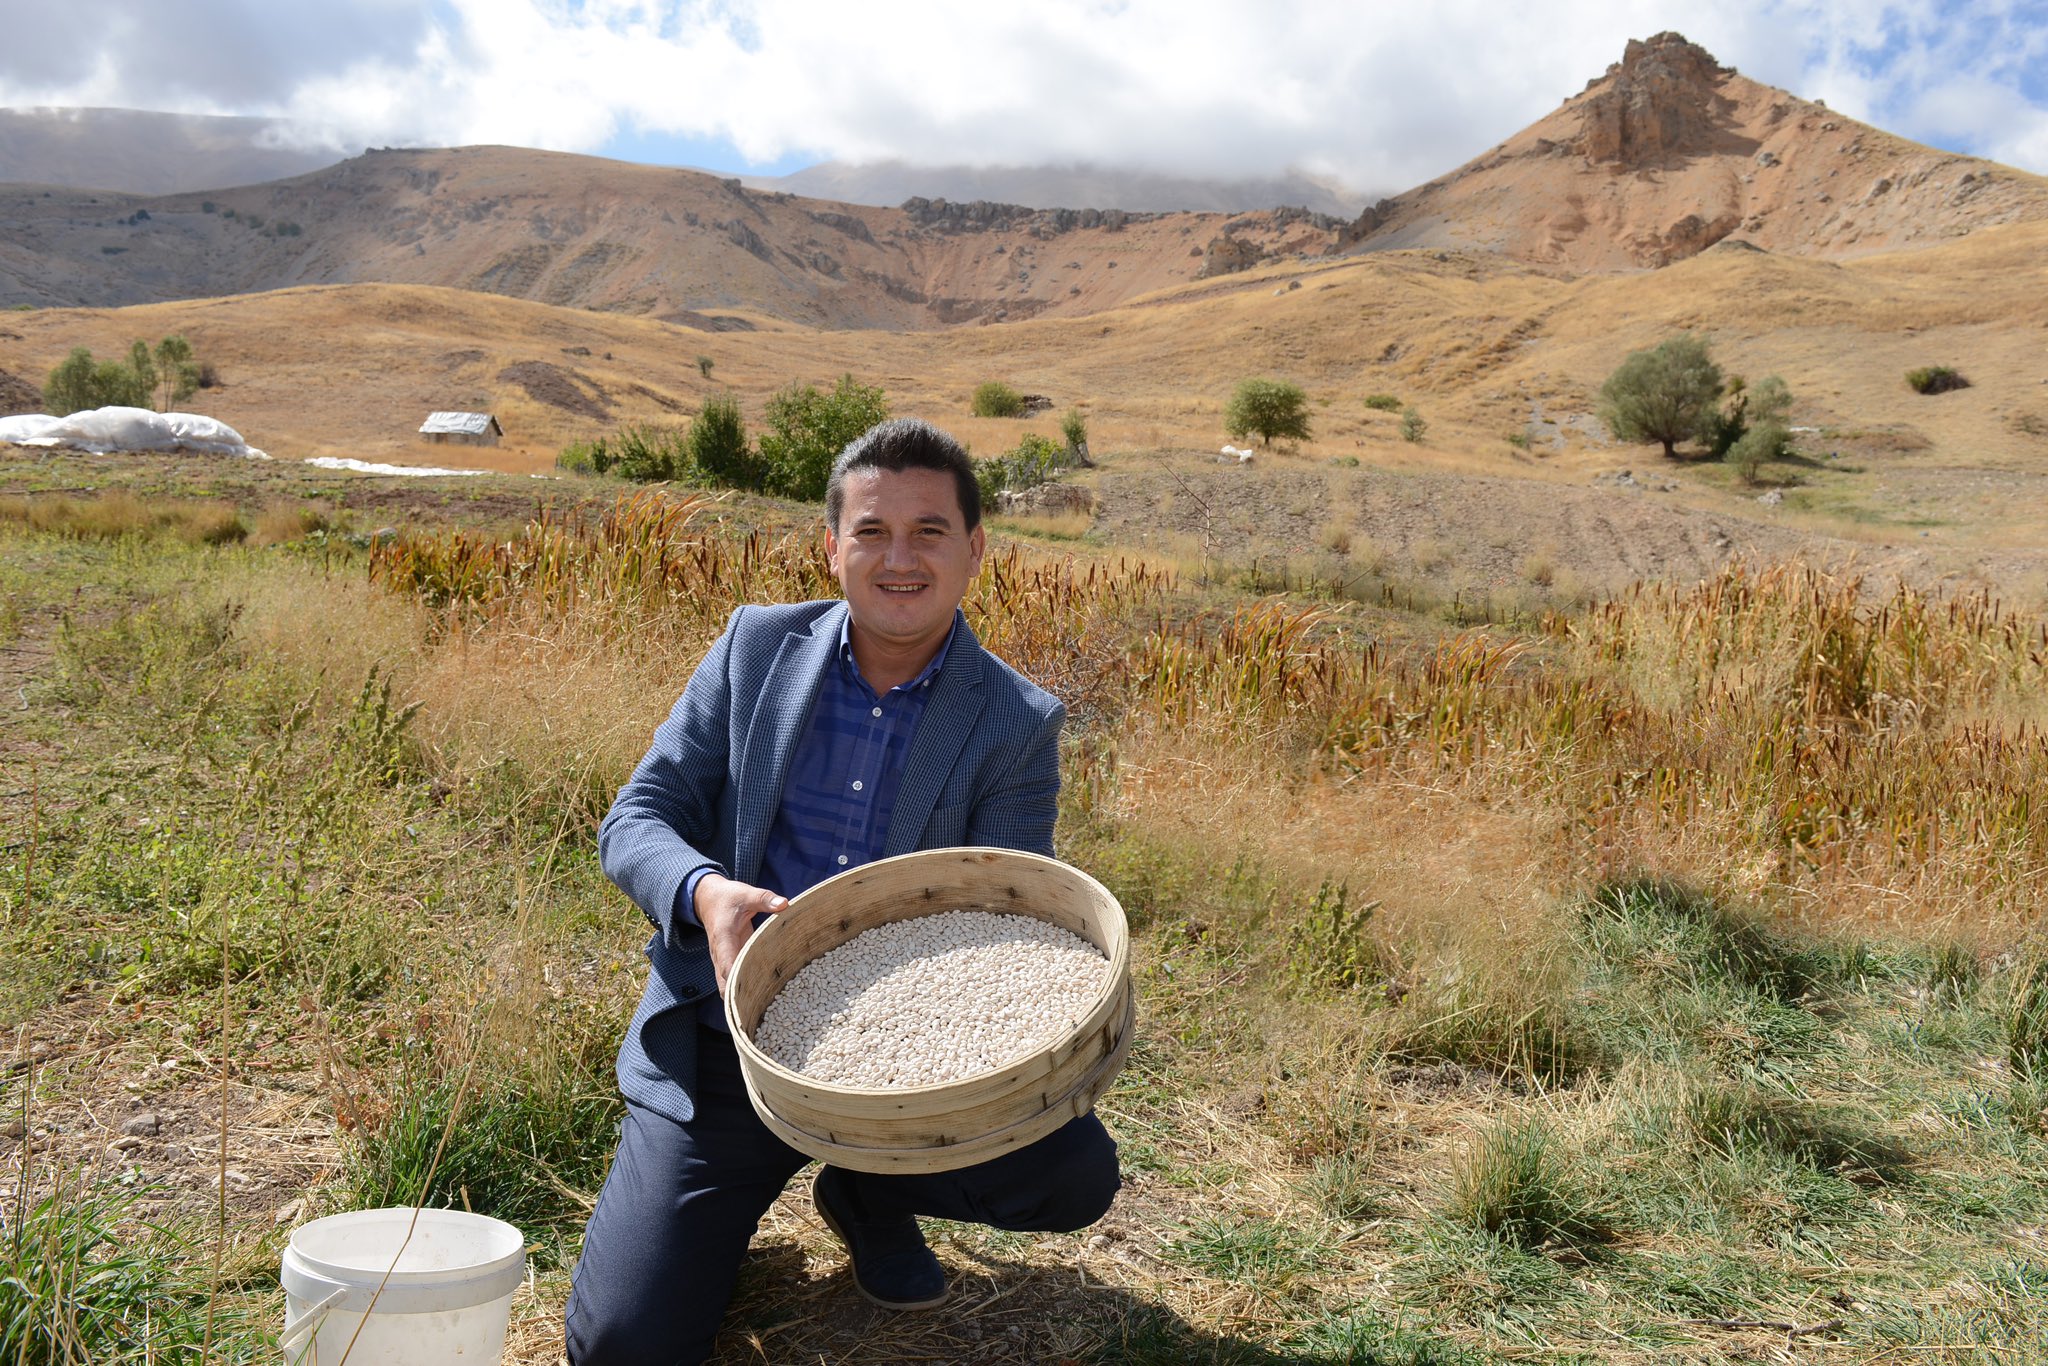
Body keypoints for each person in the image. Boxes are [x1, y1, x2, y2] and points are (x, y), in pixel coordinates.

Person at [565, 418, 1122, 1366]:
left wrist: (924, 1072)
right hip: (726, 1052)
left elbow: (1010, 919)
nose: (898, 558)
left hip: (909, 1065)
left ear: (975, 550)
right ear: (832, 548)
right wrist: (703, 894)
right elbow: (637, 818)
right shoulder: (753, 649)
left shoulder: (1015, 720)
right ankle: (727, 1216)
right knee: (624, 1344)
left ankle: (870, 1188)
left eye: (930, 531)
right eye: (871, 531)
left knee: (1073, 1177)